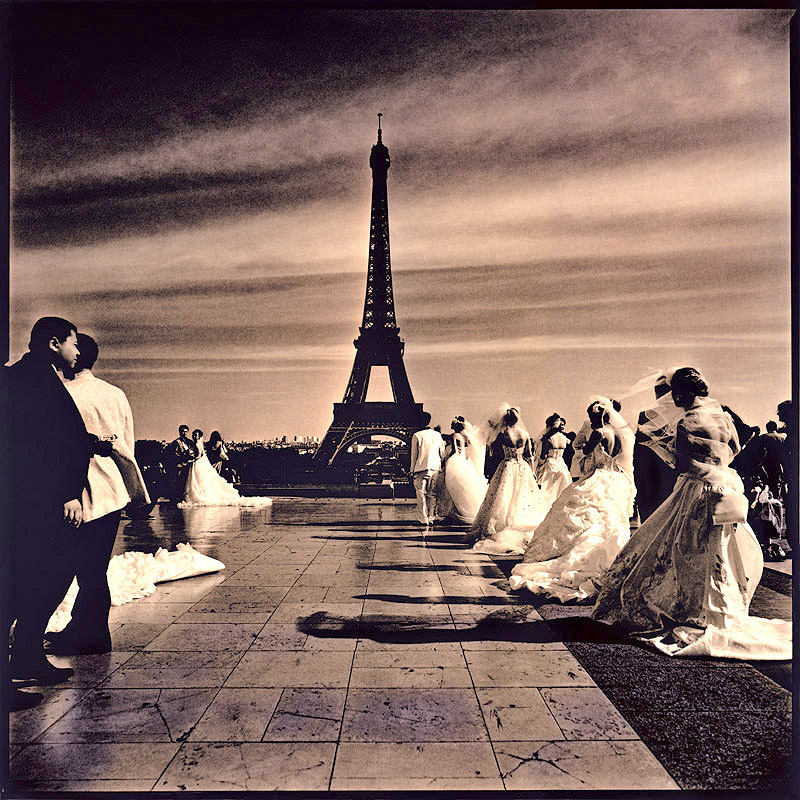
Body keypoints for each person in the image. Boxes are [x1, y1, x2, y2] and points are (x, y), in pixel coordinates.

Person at [592, 368, 791, 660]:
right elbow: (735, 449)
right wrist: (715, 464)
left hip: (695, 488)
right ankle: (719, 606)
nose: (673, 399)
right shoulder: (723, 417)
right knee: (717, 549)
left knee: (681, 548)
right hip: (724, 486)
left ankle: (688, 606)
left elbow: (682, 464)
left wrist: (670, 453)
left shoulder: (687, 422)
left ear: (683, 394)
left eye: (676, 394)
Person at [3, 318, 95, 710]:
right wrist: (68, 492)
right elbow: (42, 446)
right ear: (55, 343)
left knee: (46, 575)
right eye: (74, 343)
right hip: (40, 502)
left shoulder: (34, 377)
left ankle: (26, 654)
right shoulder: (31, 380)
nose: (78, 351)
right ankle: (22, 656)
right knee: (32, 578)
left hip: (36, 500)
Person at [44, 334, 150, 656]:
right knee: (94, 567)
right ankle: (87, 631)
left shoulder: (63, 393)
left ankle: (93, 636)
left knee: (79, 569)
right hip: (112, 489)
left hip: (78, 491)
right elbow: (127, 444)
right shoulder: (115, 394)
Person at [509, 398, 635, 602]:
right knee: (610, 517)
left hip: (598, 476)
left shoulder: (599, 432)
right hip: (615, 478)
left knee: (582, 510)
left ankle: (578, 554)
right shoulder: (619, 434)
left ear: (599, 417)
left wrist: (585, 448)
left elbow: (586, 452)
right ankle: (610, 552)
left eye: (592, 417)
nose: (591, 421)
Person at [469, 404, 548, 555]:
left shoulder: (503, 434)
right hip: (523, 467)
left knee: (503, 496)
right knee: (522, 496)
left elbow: (494, 452)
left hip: (507, 466)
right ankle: (519, 524)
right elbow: (529, 455)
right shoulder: (524, 434)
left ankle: (500, 526)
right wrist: (532, 472)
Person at [633, 370, 681, 523]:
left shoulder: (646, 415)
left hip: (666, 473)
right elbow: (639, 449)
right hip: (653, 474)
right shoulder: (683, 414)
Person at [180, 429, 272, 507]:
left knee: (201, 480)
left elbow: (200, 454)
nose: (194, 436)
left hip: (199, 463)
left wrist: (191, 459)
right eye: (193, 435)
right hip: (204, 463)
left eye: (195, 435)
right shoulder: (211, 443)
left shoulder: (202, 444)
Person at [438, 416, 488, 525]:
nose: (451, 425)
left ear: (456, 426)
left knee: (450, 486)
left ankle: (452, 512)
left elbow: (455, 450)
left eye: (452, 423)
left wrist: (446, 459)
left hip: (455, 459)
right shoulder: (465, 436)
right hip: (464, 460)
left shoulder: (455, 435)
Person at [534, 413, 573, 512]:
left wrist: (539, 465)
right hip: (561, 464)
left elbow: (543, 455)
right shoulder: (564, 438)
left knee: (548, 490)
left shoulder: (548, 438)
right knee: (561, 488)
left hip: (550, 464)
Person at [409, 423, 446, 525]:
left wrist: (412, 470)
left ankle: (423, 519)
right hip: (435, 468)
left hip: (420, 468)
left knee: (420, 495)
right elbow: (442, 453)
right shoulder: (437, 435)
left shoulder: (417, 435)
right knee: (432, 494)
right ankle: (431, 517)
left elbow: (414, 455)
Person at [163, 425, 197, 503]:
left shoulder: (190, 442)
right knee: (178, 481)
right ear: (179, 432)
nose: (184, 433)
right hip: (179, 464)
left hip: (188, 464)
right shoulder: (175, 442)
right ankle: (176, 498)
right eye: (183, 432)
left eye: (186, 432)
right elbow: (171, 454)